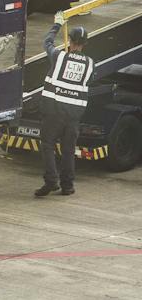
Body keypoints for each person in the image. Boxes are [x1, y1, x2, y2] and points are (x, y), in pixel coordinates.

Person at [35, 21, 92, 197]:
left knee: (47, 145)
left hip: (55, 111)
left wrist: (57, 25)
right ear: (84, 44)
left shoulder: (59, 57)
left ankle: (51, 181)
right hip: (74, 115)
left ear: (70, 40)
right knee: (68, 150)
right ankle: (67, 186)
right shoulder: (90, 63)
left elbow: (47, 43)